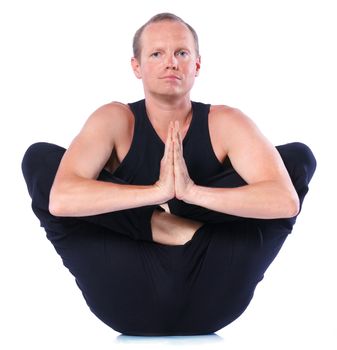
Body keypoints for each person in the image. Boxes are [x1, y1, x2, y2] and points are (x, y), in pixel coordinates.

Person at [22, 13, 316, 336]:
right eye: (157, 54)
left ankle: (179, 220)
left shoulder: (225, 122)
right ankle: (163, 225)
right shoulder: (117, 120)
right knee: (40, 161)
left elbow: (286, 201)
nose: (171, 63)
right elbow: (61, 199)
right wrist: (157, 194)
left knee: (296, 160)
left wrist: (190, 193)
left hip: (214, 281)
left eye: (182, 53)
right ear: (137, 66)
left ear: (197, 65)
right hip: (126, 288)